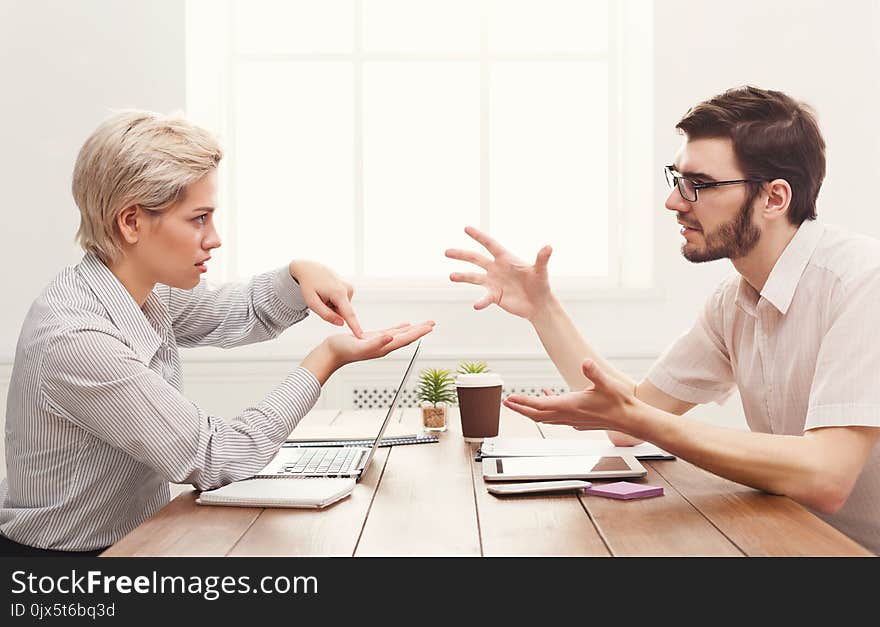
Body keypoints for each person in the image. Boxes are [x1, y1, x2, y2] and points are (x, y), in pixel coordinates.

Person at [446, 86, 880, 554]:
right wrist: (541, 308)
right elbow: (631, 420)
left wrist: (644, 420)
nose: (675, 202)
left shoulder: (861, 283)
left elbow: (826, 476)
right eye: (676, 178)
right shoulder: (732, 302)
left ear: (774, 198)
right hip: (794, 541)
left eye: (700, 184)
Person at [0, 110, 434, 556]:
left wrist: (297, 275)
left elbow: (239, 311)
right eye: (198, 219)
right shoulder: (77, 338)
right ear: (130, 222)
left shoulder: (144, 292)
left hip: (139, 540)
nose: (214, 238)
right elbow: (219, 455)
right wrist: (326, 358)